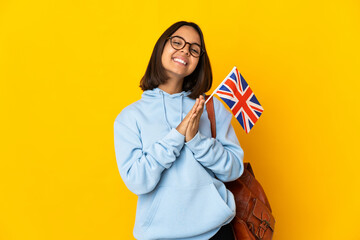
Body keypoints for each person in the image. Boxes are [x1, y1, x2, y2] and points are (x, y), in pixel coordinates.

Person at [114, 21, 244, 240]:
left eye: (194, 49)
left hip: (216, 232)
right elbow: (138, 181)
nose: (185, 50)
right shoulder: (129, 117)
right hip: (159, 235)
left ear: (198, 61)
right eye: (177, 42)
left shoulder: (211, 108)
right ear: (161, 47)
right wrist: (177, 135)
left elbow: (234, 169)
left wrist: (196, 141)